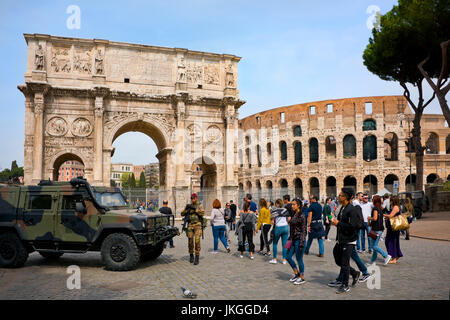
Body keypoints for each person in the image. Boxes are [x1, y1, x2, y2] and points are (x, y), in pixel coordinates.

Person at [330, 188, 362, 294]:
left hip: (349, 240)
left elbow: (352, 226)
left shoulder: (351, 209)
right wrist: (335, 221)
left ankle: (345, 284)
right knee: (338, 259)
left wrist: (338, 223)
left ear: (346, 197)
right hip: (341, 239)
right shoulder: (342, 208)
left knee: (344, 262)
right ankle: (354, 273)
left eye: (341, 195)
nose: (339, 197)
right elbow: (341, 223)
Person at [285, 198, 308, 285]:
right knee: (288, 256)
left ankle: (302, 278)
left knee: (299, 259)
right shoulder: (294, 214)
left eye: (294, 204)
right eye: (292, 204)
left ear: (298, 205)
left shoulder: (301, 216)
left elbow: (303, 230)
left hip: (299, 240)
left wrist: (302, 242)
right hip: (293, 240)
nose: (292, 206)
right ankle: (296, 273)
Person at [180, 193, 205, 265]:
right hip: (190, 224)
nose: (193, 199)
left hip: (197, 225)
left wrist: (195, 209)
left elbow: (202, 213)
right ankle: (191, 255)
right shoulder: (189, 206)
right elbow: (182, 213)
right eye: (192, 198)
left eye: (194, 198)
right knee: (190, 240)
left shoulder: (199, 205)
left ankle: (197, 256)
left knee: (197, 240)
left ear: (196, 198)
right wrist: (186, 209)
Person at [367, 195, 391, 265]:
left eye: (372, 199)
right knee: (375, 246)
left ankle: (386, 256)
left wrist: (369, 218)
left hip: (376, 229)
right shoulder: (380, 208)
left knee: (374, 246)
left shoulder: (375, 208)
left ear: (375, 200)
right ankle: (372, 261)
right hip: (379, 229)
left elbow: (375, 218)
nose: (372, 200)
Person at [383, 195, 403, 264]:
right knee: (394, 241)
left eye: (390, 200)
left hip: (393, 228)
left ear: (393, 201)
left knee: (390, 241)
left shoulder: (395, 207)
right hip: (392, 227)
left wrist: (385, 215)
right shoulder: (396, 207)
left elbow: (391, 216)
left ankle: (393, 258)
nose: (390, 202)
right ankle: (396, 255)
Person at [269, 199, 290, 264]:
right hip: (286, 227)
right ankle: (284, 260)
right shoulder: (285, 210)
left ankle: (274, 259)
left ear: (277, 204)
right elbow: (289, 219)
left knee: (275, 243)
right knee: (285, 244)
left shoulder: (274, 210)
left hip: (278, 227)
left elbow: (272, 221)